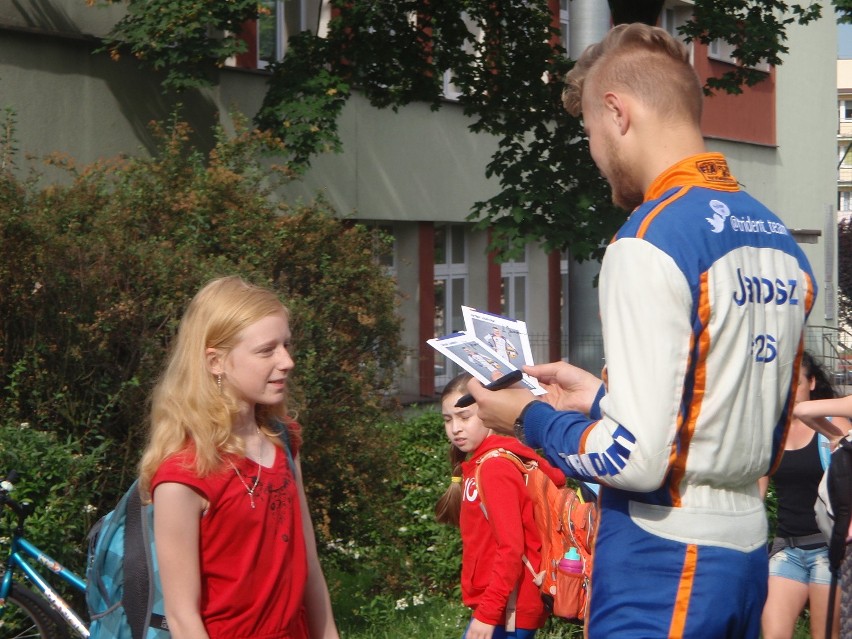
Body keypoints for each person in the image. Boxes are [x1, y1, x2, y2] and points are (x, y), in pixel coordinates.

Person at [467, 23, 816, 639]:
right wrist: (601, 399)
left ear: (617, 112)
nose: (596, 154)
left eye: (591, 136)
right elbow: (727, 414)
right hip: (744, 553)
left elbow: (631, 459)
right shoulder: (777, 237)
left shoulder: (648, 239)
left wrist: (525, 416)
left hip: (663, 558)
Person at [137, 276, 339, 639]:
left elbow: (309, 566)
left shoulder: (283, 441)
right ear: (215, 361)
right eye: (267, 350)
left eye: (286, 345)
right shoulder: (184, 474)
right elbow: (182, 618)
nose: (288, 361)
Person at [435, 373, 565, 639]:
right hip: (502, 606)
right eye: (448, 420)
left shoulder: (495, 468)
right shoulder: (478, 465)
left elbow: (511, 548)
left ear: (488, 412)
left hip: (508, 610)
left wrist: (487, 613)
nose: (455, 428)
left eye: (464, 417)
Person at [759, 351, 848, 639]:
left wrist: (808, 414)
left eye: (794, 383)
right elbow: (758, 496)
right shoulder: (772, 435)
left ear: (811, 383)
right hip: (788, 548)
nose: (787, 392)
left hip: (829, 549)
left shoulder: (834, 426)